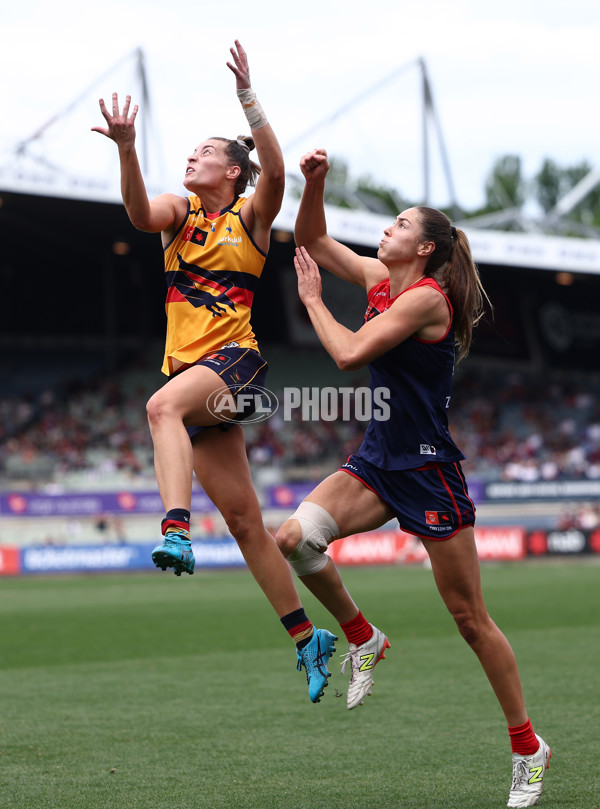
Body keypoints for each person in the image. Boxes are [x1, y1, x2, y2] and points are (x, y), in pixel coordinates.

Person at [276, 147, 551, 807]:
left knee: (469, 619)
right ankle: (362, 635)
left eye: (400, 223)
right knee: (294, 538)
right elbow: (311, 235)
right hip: (377, 459)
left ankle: (527, 746)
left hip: (428, 469)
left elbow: (345, 354)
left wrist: (312, 299)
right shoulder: (380, 276)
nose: (387, 228)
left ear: (424, 248)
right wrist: (313, 183)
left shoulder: (426, 298)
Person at [91, 42, 337, 703]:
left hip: (234, 365)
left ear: (232, 172)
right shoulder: (181, 213)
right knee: (244, 520)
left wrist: (248, 98)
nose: (192, 159)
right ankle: (305, 636)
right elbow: (140, 215)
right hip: (196, 378)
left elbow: (278, 175)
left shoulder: (249, 218)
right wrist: (124, 148)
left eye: (204, 153)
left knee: (159, 408)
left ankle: (174, 528)